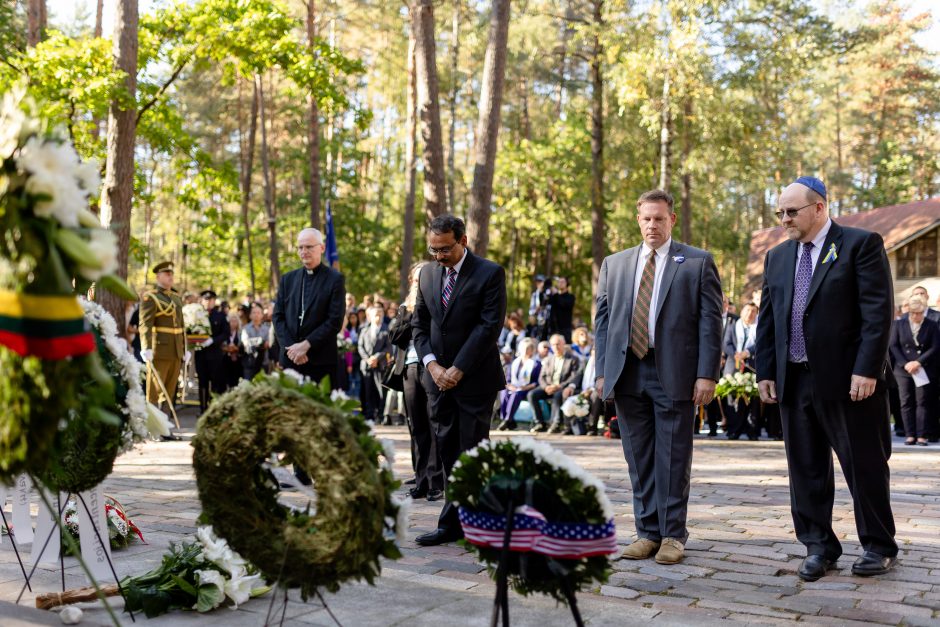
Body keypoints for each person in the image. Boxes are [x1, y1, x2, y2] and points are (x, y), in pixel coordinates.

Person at [755, 176, 898, 581]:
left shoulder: (860, 244)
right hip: (793, 380)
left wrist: (867, 369)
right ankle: (819, 546)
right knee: (805, 469)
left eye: (791, 211)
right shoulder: (778, 257)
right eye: (779, 212)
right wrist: (766, 370)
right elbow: (769, 319)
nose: (784, 219)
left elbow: (877, 312)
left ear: (819, 208)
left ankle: (879, 546)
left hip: (850, 382)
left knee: (864, 465)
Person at [594, 188, 722, 566]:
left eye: (660, 218)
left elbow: (710, 325)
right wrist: (602, 372)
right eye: (647, 218)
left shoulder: (697, 263)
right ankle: (647, 532)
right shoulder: (614, 265)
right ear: (638, 220)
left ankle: (672, 536)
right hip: (627, 370)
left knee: (673, 456)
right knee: (638, 457)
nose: (653, 224)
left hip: (675, 373)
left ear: (672, 220)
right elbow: (603, 323)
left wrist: (707, 375)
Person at [412, 214, 507, 546]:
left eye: (445, 249)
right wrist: (433, 366)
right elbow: (419, 326)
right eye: (433, 249)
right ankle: (453, 524)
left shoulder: (490, 273)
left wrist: (458, 368)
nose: (438, 256)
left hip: (475, 379)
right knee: (448, 448)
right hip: (437, 380)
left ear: (463, 241)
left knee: (473, 450)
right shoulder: (426, 274)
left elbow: (488, 326)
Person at [389, 261, 444, 501]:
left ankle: (436, 481)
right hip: (409, 367)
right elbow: (394, 336)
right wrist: (412, 317)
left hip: (431, 366)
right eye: (417, 277)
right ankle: (420, 479)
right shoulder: (405, 306)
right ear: (412, 281)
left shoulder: (438, 300)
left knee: (434, 424)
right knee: (417, 425)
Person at [272, 228, 345, 384]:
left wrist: (306, 345)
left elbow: (334, 321)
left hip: (320, 361)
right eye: (300, 247)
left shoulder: (335, 279)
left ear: (322, 248)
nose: (304, 251)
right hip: (290, 359)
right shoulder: (287, 279)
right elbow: (277, 316)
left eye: (309, 247)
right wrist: (292, 348)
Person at [139, 261, 187, 432]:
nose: (170, 277)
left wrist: (185, 349)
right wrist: (146, 347)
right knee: (155, 392)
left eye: (171, 274)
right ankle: (152, 428)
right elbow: (145, 324)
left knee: (169, 391)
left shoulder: (175, 298)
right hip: (159, 350)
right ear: (158, 276)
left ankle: (164, 428)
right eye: (167, 274)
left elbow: (182, 327)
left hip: (175, 351)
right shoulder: (150, 297)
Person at [889, 297, 938, 446]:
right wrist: (906, 364)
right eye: (913, 313)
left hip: (923, 368)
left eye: (919, 313)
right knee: (906, 402)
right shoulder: (899, 324)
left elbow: (935, 346)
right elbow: (894, 345)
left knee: (922, 402)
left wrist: (918, 362)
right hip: (903, 370)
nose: (916, 316)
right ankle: (910, 435)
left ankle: (922, 435)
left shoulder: (932, 325)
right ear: (909, 311)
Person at [526, 334, 582, 434]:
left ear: (563, 344)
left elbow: (574, 377)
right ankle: (539, 422)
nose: (556, 347)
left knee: (557, 395)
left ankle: (555, 423)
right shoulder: (548, 359)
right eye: (553, 345)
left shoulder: (573, 359)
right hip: (548, 387)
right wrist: (546, 387)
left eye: (558, 344)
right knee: (532, 394)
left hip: (561, 387)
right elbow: (541, 377)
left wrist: (560, 386)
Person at [722, 301, 760, 440]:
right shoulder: (733, 325)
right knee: (732, 400)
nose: (750, 314)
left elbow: (761, 342)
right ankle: (734, 430)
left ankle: (752, 431)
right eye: (747, 310)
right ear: (742, 312)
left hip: (752, 366)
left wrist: (747, 352)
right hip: (734, 366)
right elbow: (726, 343)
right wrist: (736, 355)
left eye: (753, 311)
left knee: (753, 399)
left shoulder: (759, 327)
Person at [193, 290, 228, 413]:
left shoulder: (220, 316)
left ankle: (213, 409)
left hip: (215, 354)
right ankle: (203, 409)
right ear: (202, 301)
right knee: (202, 381)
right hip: (200, 353)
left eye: (211, 300)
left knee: (215, 381)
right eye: (206, 299)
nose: (208, 302)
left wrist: (213, 340)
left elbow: (225, 333)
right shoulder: (196, 315)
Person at [497, 338, 541, 431]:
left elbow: (536, 381)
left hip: (527, 388)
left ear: (532, 350)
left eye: (528, 348)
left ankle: (507, 420)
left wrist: (525, 387)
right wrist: (509, 385)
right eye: (523, 348)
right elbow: (508, 378)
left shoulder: (536, 364)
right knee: (503, 392)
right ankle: (506, 419)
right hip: (514, 386)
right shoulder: (514, 362)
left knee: (515, 395)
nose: (525, 350)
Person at [358, 305, 391, 423]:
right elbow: (360, 347)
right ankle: (368, 414)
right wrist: (368, 359)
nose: (378, 317)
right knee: (367, 391)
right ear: (370, 317)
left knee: (380, 391)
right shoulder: (364, 330)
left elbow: (388, 347)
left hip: (379, 365)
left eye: (380, 314)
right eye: (376, 315)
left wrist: (376, 358)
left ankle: (380, 415)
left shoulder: (386, 330)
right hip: (366, 366)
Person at [240, 301, 270, 380]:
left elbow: (268, 343)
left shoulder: (267, 329)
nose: (256, 314)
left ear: (262, 315)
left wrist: (255, 342)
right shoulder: (245, 329)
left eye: (258, 312)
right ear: (250, 315)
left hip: (264, 362)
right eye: (254, 312)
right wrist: (261, 342)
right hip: (249, 363)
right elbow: (245, 343)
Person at [549, 276, 575, 343]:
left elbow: (564, 304)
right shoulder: (554, 296)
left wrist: (556, 294)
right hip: (553, 328)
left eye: (562, 282)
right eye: (558, 282)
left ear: (567, 284)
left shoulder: (571, 297)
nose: (560, 283)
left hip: (565, 329)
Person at [222, 312, 242, 390]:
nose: (233, 323)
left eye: (235, 321)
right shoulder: (225, 333)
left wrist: (235, 348)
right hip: (225, 358)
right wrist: (228, 348)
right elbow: (221, 344)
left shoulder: (240, 333)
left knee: (235, 379)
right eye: (231, 321)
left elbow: (242, 345)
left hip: (236, 359)